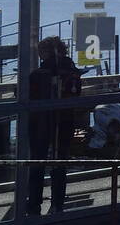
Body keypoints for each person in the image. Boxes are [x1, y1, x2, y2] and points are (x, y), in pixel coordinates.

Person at [26, 36, 84, 214]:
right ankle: (57, 203)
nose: (39, 55)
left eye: (41, 52)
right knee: (60, 162)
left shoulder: (39, 73)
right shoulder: (72, 71)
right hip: (65, 121)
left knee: (38, 162)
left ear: (46, 52)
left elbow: (27, 96)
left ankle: (34, 204)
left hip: (41, 123)